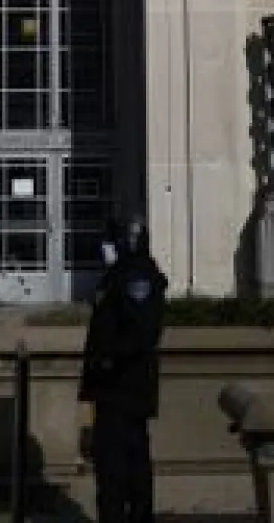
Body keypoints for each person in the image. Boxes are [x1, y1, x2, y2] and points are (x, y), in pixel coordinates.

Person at [79, 215, 168, 523]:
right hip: (113, 387)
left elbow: (142, 331)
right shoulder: (120, 274)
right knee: (115, 461)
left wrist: (109, 360)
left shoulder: (137, 275)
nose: (106, 250)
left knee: (120, 465)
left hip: (124, 385)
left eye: (111, 242)